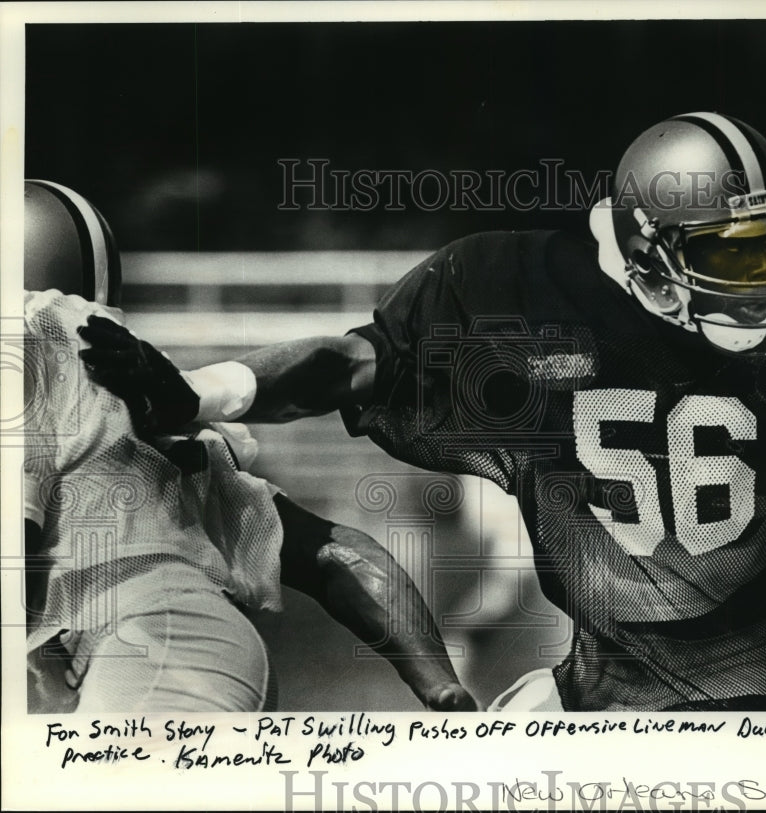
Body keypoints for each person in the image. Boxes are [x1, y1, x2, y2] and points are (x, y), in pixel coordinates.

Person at [79, 112, 766, 712]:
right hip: (595, 706)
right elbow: (349, 364)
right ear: (645, 253)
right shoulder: (527, 304)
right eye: (731, 255)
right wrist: (202, 392)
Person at [22, 179, 475, 713]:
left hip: (142, 647)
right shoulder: (146, 416)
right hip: (184, 644)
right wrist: (440, 685)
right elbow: (335, 552)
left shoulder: (27, 351)